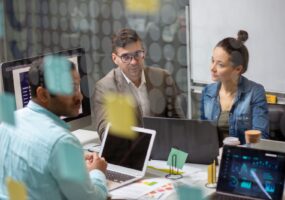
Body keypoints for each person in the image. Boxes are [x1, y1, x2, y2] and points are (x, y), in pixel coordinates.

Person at [0, 59, 108, 200]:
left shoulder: (9, 122)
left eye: (78, 87)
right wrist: (97, 172)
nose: (80, 96)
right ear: (43, 95)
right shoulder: (62, 142)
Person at [93, 28, 184, 138]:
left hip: (162, 150)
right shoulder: (106, 88)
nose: (134, 62)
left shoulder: (163, 78)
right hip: (130, 151)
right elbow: (106, 133)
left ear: (144, 53)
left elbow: (179, 124)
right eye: (126, 57)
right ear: (114, 58)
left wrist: (176, 154)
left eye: (137, 54)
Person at [200, 30, 269, 145]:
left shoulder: (255, 92)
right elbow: (201, 134)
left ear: (237, 69)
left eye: (220, 64)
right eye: (212, 60)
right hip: (213, 159)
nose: (212, 68)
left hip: (239, 160)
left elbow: (260, 139)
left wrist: (230, 154)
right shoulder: (208, 92)